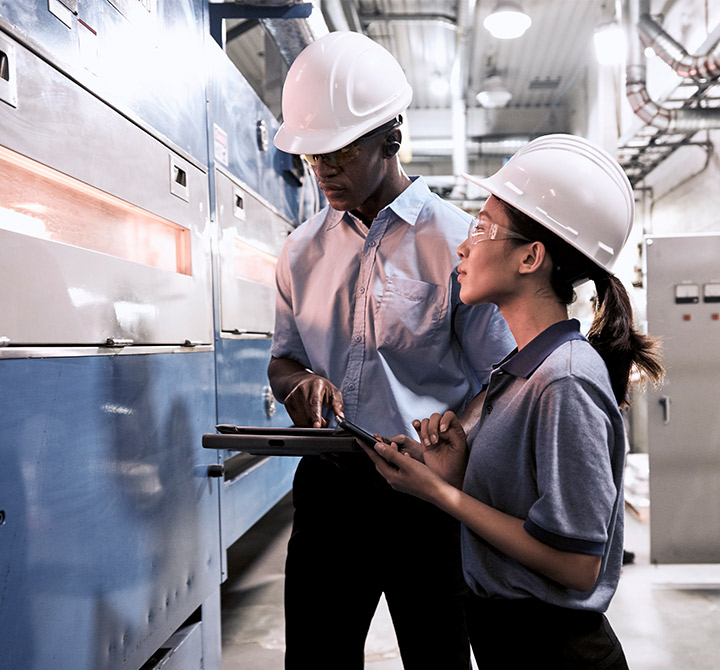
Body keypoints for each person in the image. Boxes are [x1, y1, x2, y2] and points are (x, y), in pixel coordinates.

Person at [363, 134, 664, 668]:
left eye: (481, 228)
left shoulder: (563, 380)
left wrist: (441, 495)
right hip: (512, 640)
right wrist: (455, 472)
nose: (463, 245)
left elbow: (577, 564)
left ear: (531, 256)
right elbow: (522, 512)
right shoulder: (520, 369)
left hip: (554, 649)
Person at [268, 31, 515, 670]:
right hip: (330, 492)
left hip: (425, 501)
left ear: (390, 138)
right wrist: (298, 385)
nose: (322, 170)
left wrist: (451, 438)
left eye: (339, 153)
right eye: (312, 156)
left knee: (438, 659)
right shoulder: (300, 250)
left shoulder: (458, 244)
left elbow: (503, 376)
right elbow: (283, 356)